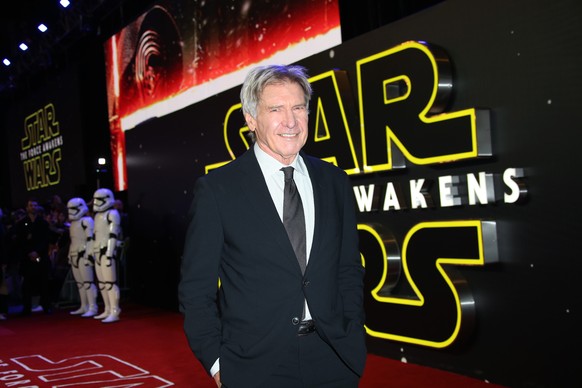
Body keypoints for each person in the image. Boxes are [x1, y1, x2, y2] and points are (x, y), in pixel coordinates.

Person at [179, 64, 366, 388]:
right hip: (255, 365)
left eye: (298, 108)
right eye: (276, 109)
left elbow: (348, 268)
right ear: (251, 119)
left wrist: (353, 333)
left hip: (333, 356)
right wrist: (217, 363)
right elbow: (196, 290)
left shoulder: (334, 181)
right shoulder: (217, 190)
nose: (291, 122)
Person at [13, 199, 53, 315]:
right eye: (31, 205)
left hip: (40, 257)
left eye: (35, 205)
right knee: (27, 283)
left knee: (44, 281)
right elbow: (20, 241)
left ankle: (45, 305)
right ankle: (27, 307)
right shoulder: (22, 224)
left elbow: (46, 240)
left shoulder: (43, 223)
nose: (33, 207)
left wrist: (37, 252)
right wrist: (29, 252)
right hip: (28, 258)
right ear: (27, 208)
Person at [92, 188, 122, 323]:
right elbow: (94, 236)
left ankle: (115, 310)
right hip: (98, 251)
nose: (97, 202)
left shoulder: (112, 214)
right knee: (103, 284)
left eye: (100, 200)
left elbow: (113, 235)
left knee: (110, 283)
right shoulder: (97, 216)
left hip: (106, 251)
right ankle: (108, 308)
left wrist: (109, 253)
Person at [66, 197, 98, 317]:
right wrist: (70, 254)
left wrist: (89, 254)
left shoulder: (87, 221)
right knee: (80, 283)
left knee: (88, 282)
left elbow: (90, 239)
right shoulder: (73, 223)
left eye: (73, 208)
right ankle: (84, 306)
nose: (71, 211)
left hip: (83, 253)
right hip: (75, 253)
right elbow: (73, 241)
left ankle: (92, 307)